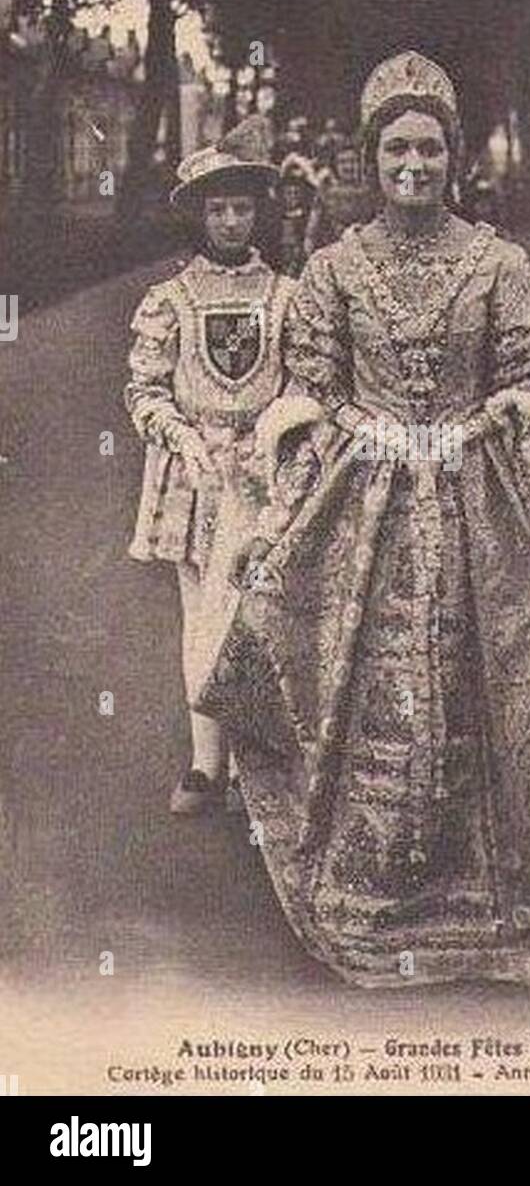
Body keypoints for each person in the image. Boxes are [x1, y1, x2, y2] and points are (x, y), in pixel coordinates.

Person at [196, 51, 530, 990]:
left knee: (503, 684)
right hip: (363, 500)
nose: (415, 164)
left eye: (431, 148)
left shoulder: (499, 263)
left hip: (476, 493)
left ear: (455, 157)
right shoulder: (331, 268)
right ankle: (379, 891)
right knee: (359, 685)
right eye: (397, 147)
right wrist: (273, 526)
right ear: (372, 156)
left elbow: (526, 388)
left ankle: (499, 898)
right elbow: (311, 399)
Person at [124, 126, 295, 815]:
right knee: (202, 613)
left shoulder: (286, 294)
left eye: (242, 209)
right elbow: (144, 388)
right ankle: (205, 766)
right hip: (193, 475)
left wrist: (275, 434)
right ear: (200, 216)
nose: (230, 221)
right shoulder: (172, 298)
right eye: (218, 210)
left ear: (259, 214)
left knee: (261, 614)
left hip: (263, 474)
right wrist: (180, 437)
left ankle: (261, 769)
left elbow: (303, 381)